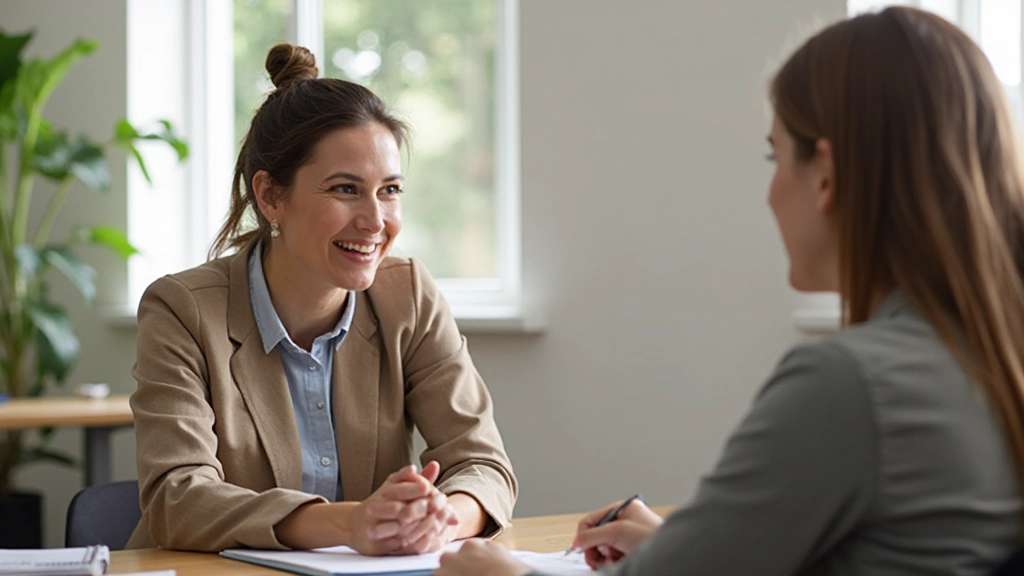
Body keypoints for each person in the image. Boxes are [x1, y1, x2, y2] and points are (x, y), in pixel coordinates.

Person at [435, 7, 1024, 576]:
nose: (770, 193)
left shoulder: (851, 384)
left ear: (826, 174)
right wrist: (686, 549)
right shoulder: (988, 356)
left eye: (775, 156)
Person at [126, 43, 517, 554]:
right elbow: (177, 497)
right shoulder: (182, 310)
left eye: (390, 190)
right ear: (270, 196)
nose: (375, 222)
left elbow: (483, 464)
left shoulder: (408, 295)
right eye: (345, 189)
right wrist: (350, 524)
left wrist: (438, 520)